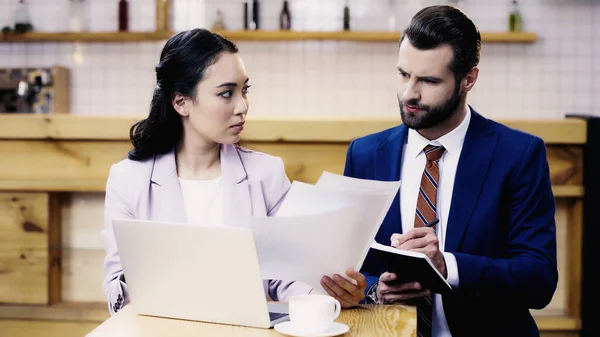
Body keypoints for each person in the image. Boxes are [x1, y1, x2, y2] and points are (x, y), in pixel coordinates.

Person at [342, 5, 558, 337]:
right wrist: (375, 290)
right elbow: (350, 266)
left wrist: (447, 266)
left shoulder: (519, 155)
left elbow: (539, 279)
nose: (409, 93)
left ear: (468, 79)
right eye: (403, 74)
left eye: (428, 80)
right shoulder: (364, 153)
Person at [101, 28, 316, 315]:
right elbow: (116, 295)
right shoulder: (128, 180)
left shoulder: (267, 173)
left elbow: (286, 278)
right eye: (227, 93)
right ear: (181, 102)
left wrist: (324, 291)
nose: (242, 106)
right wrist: (143, 269)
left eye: (244, 90)